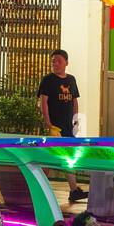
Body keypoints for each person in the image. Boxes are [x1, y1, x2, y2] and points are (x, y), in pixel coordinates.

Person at [37, 50, 84, 201]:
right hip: (55, 126)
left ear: (66, 63)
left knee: (68, 157)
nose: (55, 64)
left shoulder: (71, 80)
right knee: (49, 157)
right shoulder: (48, 80)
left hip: (68, 125)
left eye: (59, 61)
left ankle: (73, 189)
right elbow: (43, 101)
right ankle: (41, 188)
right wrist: (48, 121)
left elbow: (74, 100)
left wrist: (75, 120)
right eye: (53, 61)